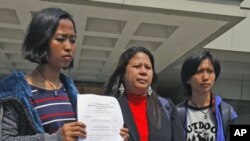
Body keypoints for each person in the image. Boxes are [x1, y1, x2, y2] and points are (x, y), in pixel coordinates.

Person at [0, 8, 128, 141]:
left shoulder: (70, 91)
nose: (68, 47)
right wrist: (55, 138)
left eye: (72, 40)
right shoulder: (15, 93)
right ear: (41, 41)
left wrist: (112, 136)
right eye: (61, 39)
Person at [105, 46, 184, 141]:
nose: (143, 72)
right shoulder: (108, 106)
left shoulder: (167, 106)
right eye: (137, 66)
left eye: (148, 67)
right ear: (122, 73)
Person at [177, 50, 238, 141]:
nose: (205, 77)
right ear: (188, 79)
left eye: (210, 71)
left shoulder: (228, 112)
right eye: (199, 71)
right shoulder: (177, 112)